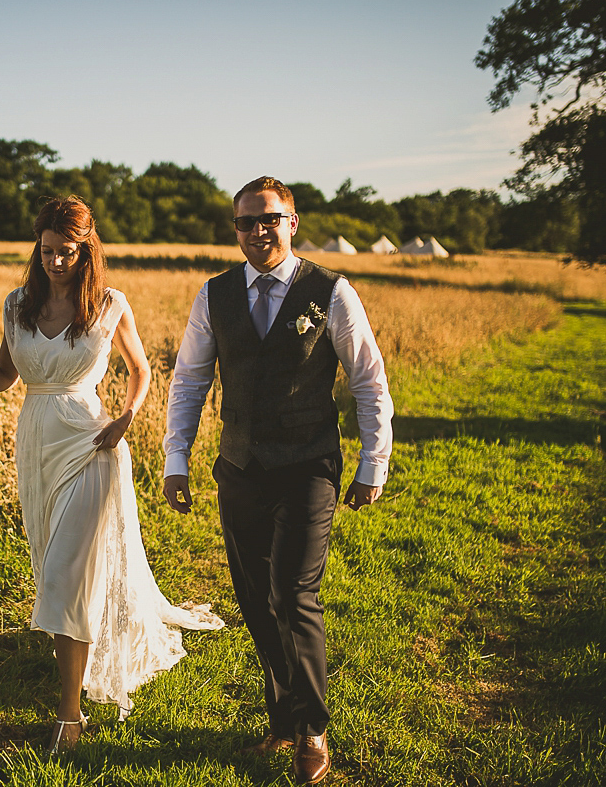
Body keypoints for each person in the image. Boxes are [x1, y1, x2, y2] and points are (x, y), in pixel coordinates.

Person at [0, 196, 222, 753]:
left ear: (86, 250)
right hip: (37, 443)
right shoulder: (17, 305)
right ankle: (71, 655)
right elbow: (3, 376)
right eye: (46, 251)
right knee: (52, 564)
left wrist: (127, 418)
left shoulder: (110, 304)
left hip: (93, 444)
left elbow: (141, 370)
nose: (56, 262)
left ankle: (69, 716)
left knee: (69, 575)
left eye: (67, 252)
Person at [162, 176, 393, 784]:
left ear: (293, 222)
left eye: (270, 219)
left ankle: (312, 729)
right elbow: (188, 382)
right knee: (254, 601)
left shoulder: (331, 292)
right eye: (246, 222)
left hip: (308, 464)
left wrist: (375, 461)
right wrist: (175, 459)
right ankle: (284, 718)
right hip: (239, 465)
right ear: (235, 230)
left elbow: (368, 379)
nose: (258, 230)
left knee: (292, 594)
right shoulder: (213, 296)